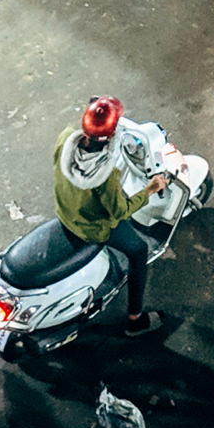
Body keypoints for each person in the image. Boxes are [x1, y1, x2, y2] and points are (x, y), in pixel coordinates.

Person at [52, 96, 172, 334]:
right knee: (138, 251)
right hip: (91, 229)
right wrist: (151, 188)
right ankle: (135, 319)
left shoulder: (65, 139)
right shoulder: (106, 177)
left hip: (65, 211)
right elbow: (121, 211)